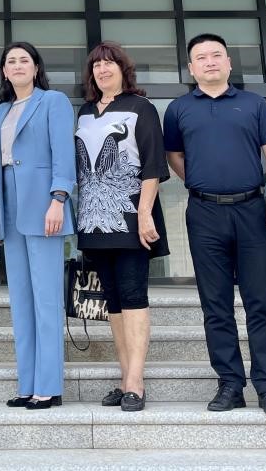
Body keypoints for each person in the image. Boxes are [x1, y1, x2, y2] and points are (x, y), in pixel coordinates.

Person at [163, 33, 266, 416]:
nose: (210, 61)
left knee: (259, 303)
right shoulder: (179, 109)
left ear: (229, 62)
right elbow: (174, 156)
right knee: (215, 305)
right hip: (204, 214)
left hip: (252, 210)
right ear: (191, 68)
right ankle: (230, 384)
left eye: (216, 55)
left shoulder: (253, 104)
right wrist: (200, 182)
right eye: (201, 57)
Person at [73, 41, 170, 413]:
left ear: (122, 69)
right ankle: (124, 375)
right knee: (112, 301)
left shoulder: (141, 107)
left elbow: (153, 165)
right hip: (94, 221)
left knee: (133, 295)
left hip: (131, 217)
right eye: (96, 65)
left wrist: (144, 213)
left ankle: (136, 381)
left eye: (109, 63)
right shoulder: (84, 112)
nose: (102, 69)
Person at [0, 41, 76, 410]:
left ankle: (49, 386)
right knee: (21, 301)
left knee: (46, 299)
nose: (18, 65)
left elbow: (64, 153)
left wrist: (59, 199)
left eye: (24, 60)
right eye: (11, 61)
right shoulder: (1, 110)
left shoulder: (53, 101)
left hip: (44, 206)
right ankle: (27, 384)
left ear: (36, 68)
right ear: (4, 71)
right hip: (10, 207)